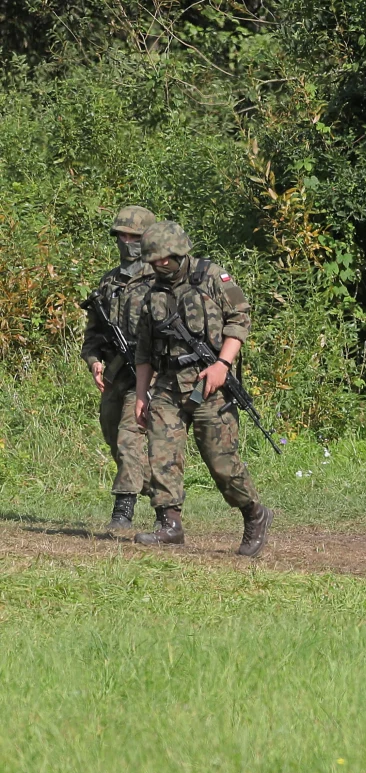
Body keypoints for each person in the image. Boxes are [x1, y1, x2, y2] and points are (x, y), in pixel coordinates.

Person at [132, 220, 274, 556]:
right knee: (161, 454)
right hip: (168, 384)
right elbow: (142, 349)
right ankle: (169, 525)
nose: (160, 263)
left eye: (166, 257)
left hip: (211, 383)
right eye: (154, 259)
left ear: (180, 251)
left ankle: (254, 513)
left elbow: (240, 318)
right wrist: (141, 394)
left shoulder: (212, 277)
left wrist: (222, 365)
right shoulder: (152, 293)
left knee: (221, 462)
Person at [80, 205, 157, 530]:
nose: (127, 242)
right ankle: (164, 497)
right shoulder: (109, 282)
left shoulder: (160, 281)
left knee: (129, 440)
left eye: (134, 237)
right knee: (115, 438)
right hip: (115, 375)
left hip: (148, 375)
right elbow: (93, 334)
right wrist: (95, 361)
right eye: (121, 236)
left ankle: (122, 514)